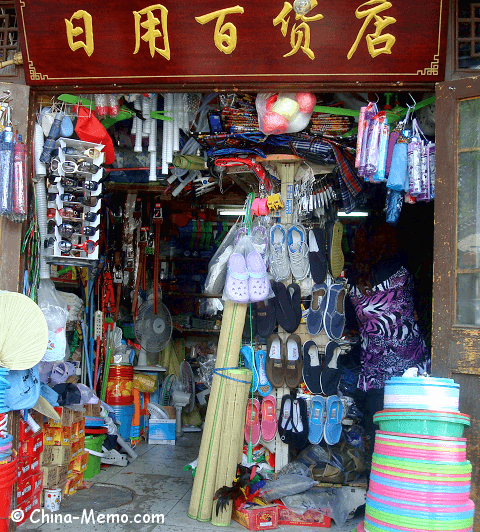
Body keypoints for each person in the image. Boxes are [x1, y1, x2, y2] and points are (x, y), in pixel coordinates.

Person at [347, 216, 429, 464]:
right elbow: (421, 306)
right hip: (412, 371)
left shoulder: (354, 286)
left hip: (375, 376)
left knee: (381, 444)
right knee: (412, 441)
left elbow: (353, 326)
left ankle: (380, 494)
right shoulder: (402, 273)